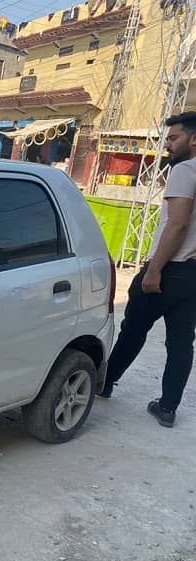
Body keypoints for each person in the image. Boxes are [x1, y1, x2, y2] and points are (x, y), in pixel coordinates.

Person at [100, 111, 196, 428]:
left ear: (193, 139)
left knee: (134, 328)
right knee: (182, 341)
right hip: (193, 274)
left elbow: (178, 224)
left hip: (169, 269)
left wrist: (154, 270)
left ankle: (106, 382)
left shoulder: (185, 170)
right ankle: (168, 407)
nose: (167, 145)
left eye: (173, 138)